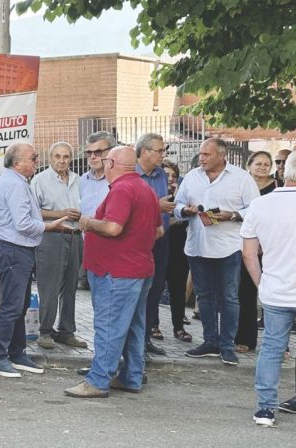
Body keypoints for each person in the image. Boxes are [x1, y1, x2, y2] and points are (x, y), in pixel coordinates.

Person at [65, 146, 162, 398]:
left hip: (116, 271)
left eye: (104, 159)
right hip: (138, 268)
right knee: (133, 326)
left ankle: (98, 380)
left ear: (111, 163)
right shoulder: (146, 189)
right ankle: (131, 376)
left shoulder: (122, 189)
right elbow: (159, 231)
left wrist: (86, 222)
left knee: (109, 326)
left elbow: (112, 227)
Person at [242, 150, 296, 433]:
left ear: (284, 174)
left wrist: (261, 284)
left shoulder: (260, 205)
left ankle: (265, 408)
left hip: (275, 290)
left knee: (272, 349)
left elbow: (249, 253)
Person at [174, 138, 259, 366]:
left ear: (222, 156)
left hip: (228, 246)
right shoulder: (192, 177)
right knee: (204, 296)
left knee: (229, 297)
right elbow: (177, 205)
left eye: (206, 154)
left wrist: (231, 215)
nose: (201, 158)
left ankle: (227, 345)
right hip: (197, 245)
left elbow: (256, 209)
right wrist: (186, 210)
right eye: (201, 154)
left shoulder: (241, 178)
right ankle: (210, 341)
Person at [0, 142, 68, 378]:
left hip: (17, 250)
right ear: (17, 163)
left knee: (19, 306)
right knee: (12, 306)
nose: (36, 160)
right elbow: (22, 224)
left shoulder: (17, 182)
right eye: (32, 157)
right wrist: (48, 226)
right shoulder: (14, 184)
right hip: (13, 249)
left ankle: (16, 353)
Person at [31, 142, 87, 349]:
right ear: (50, 157)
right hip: (52, 235)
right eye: (57, 156)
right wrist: (61, 213)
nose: (61, 160)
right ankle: (45, 332)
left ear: (70, 159)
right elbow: (33, 210)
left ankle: (66, 331)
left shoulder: (78, 180)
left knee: (71, 287)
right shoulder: (40, 180)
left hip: (75, 235)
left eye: (65, 157)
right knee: (50, 286)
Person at [134, 133, 172, 356]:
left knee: (155, 289)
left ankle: (146, 337)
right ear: (145, 151)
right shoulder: (130, 175)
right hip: (139, 241)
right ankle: (135, 342)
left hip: (160, 239)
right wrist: (155, 206)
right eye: (159, 150)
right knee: (138, 291)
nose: (162, 155)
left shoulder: (160, 175)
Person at [235, 151, 276, 353]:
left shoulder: (277, 187)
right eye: (258, 163)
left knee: (271, 293)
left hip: (270, 246)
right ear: (249, 165)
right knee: (245, 292)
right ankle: (244, 337)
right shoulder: (243, 185)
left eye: (266, 164)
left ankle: (278, 342)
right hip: (246, 243)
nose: (262, 167)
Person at [78, 131, 116, 290]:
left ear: (111, 152)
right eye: (89, 153)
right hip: (90, 250)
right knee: (98, 301)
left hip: (114, 248)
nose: (93, 157)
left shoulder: (118, 181)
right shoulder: (82, 181)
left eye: (98, 152)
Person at [162, 160, 192, 343]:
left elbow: (187, 217)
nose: (171, 179)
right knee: (155, 286)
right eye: (166, 176)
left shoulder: (181, 196)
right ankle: (154, 325)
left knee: (178, 287)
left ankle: (178, 326)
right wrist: (175, 219)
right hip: (159, 243)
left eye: (173, 176)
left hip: (178, 246)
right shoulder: (156, 195)